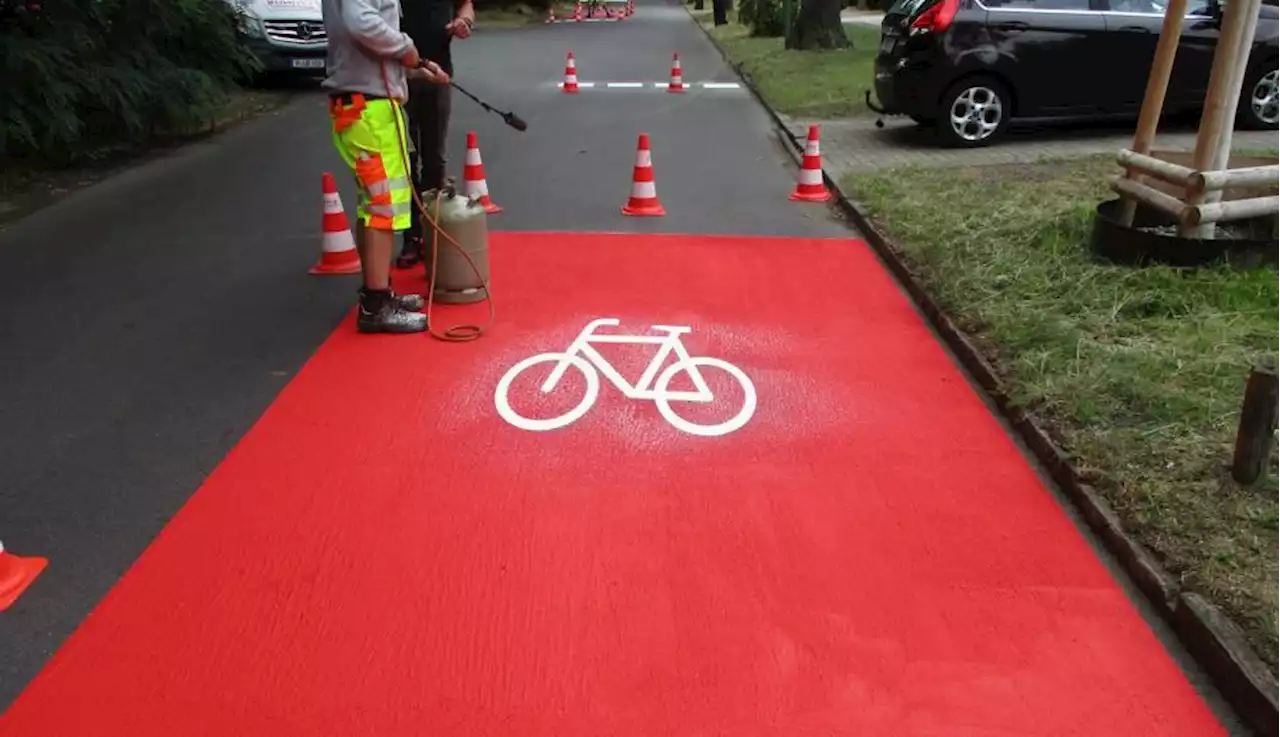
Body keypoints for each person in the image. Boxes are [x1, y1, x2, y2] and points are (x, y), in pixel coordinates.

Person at [321, 0, 450, 333]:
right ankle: (376, 306)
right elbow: (362, 24)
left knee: (372, 207)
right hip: (371, 110)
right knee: (383, 210)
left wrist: (415, 67)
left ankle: (377, 292)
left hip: (364, 104)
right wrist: (407, 48)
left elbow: (364, 50)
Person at [396, 0, 476, 269]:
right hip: (399, 78)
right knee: (406, 160)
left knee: (434, 158)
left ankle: (434, 234)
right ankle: (411, 237)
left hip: (439, 76)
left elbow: (466, 4)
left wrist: (464, 22)